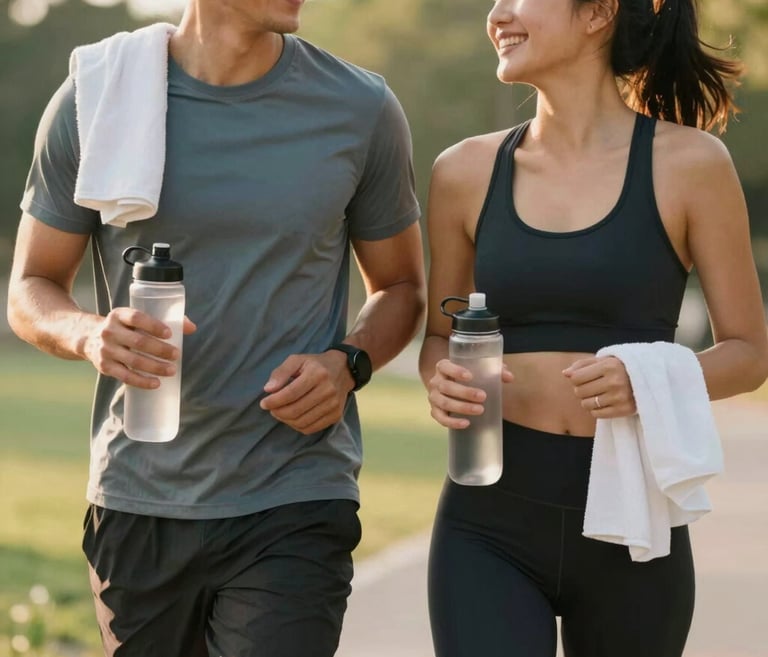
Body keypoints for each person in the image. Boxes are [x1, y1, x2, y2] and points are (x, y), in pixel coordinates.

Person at [7, 1, 425, 656]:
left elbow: (402, 288)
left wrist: (350, 362)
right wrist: (89, 333)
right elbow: (32, 286)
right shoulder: (97, 95)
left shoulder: (360, 107)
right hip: (139, 497)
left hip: (295, 492)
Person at [419, 1, 768, 656]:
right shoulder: (462, 172)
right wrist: (440, 375)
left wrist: (648, 380)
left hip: (634, 525)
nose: (498, 14)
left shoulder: (692, 164)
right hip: (487, 521)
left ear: (598, 13)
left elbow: (750, 353)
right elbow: (441, 334)